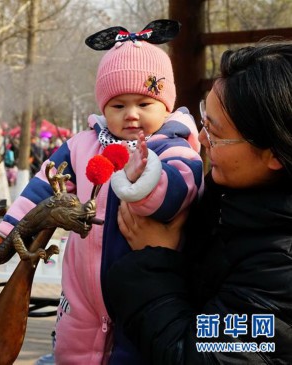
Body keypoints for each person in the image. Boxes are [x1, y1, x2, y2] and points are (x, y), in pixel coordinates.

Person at [0, 20, 204, 364]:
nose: (131, 115)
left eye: (144, 103)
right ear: (104, 107)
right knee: (74, 351)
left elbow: (179, 192)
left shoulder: (173, 145)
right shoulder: (83, 145)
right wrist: (14, 227)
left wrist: (145, 179)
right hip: (83, 294)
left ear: (166, 105)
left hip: (143, 290)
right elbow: (47, 183)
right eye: (118, 105)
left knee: (137, 353)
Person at [105, 40, 292, 364]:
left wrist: (155, 260)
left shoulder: (281, 262)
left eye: (216, 134)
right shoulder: (225, 197)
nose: (202, 140)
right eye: (204, 122)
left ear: (274, 153)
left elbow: (201, 353)